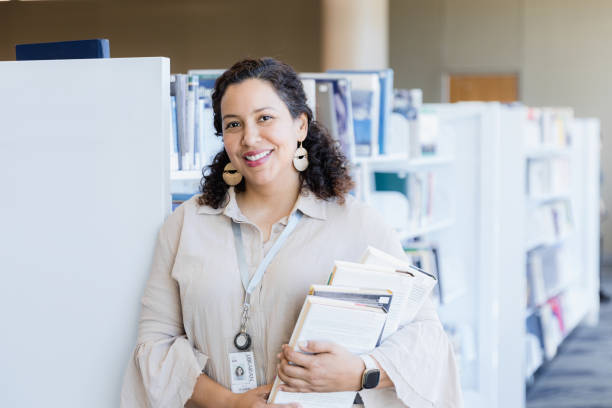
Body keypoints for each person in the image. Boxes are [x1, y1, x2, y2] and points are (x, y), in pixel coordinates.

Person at [120, 57, 462, 408]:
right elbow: (155, 344)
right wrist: (230, 403)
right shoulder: (186, 224)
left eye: (265, 118)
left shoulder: (361, 226)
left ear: (300, 125)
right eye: (233, 124)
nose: (250, 138)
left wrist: (360, 371)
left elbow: (427, 341)